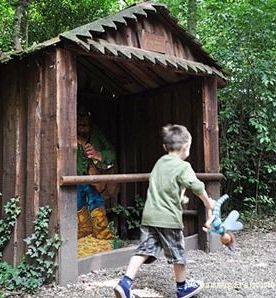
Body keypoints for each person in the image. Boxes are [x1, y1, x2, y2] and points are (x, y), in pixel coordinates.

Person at [114, 124, 216, 298]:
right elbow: (197, 186)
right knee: (178, 254)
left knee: (143, 251)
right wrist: (209, 203)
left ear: (164, 147)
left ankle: (125, 283)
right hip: (168, 219)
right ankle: (182, 287)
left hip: (149, 217)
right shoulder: (183, 167)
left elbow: (164, 187)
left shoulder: (159, 163)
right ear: (186, 147)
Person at [77, 105, 117, 240]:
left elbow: (111, 153)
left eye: (85, 119)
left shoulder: (96, 134)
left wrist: (97, 154)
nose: (82, 123)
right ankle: (84, 229)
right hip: (74, 178)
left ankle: (102, 231)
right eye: (79, 119)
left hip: (93, 177)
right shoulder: (68, 134)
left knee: (96, 200)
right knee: (78, 202)